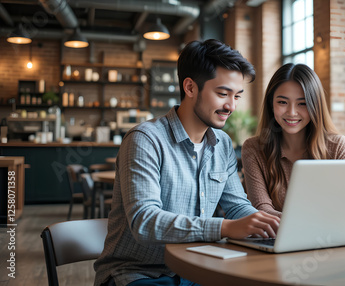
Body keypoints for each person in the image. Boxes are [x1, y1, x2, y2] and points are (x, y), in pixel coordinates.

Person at [94, 39, 280, 286]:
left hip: (197, 268)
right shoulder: (145, 140)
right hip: (138, 274)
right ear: (190, 88)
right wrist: (225, 228)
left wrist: (273, 223)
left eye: (237, 96)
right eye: (222, 94)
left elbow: (237, 207)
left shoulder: (222, 144)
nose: (231, 106)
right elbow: (145, 222)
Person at [241, 63, 345, 217]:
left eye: (302, 103)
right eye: (282, 102)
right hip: (276, 237)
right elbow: (262, 210)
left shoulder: (337, 146)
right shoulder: (254, 148)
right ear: (271, 104)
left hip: (331, 238)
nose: (292, 112)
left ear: (315, 106)